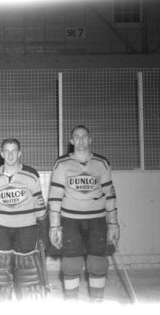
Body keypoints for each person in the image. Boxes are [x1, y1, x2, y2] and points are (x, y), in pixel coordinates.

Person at [48, 125, 120, 302]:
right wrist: (54, 226)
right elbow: (55, 197)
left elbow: (110, 195)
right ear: (71, 141)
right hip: (70, 220)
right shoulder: (62, 164)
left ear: (90, 139)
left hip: (97, 220)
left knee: (97, 263)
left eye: (84, 136)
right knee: (71, 264)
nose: (80, 140)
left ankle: (96, 302)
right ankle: (72, 303)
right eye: (76, 137)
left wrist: (113, 223)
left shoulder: (102, 163)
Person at [0, 138, 49, 303]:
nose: (10, 154)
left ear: (19, 153)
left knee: (26, 269)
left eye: (14, 151)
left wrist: (44, 234)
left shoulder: (31, 175)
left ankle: (28, 305)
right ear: (2, 153)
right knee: (0, 270)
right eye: (7, 151)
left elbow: (40, 210)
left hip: (26, 229)